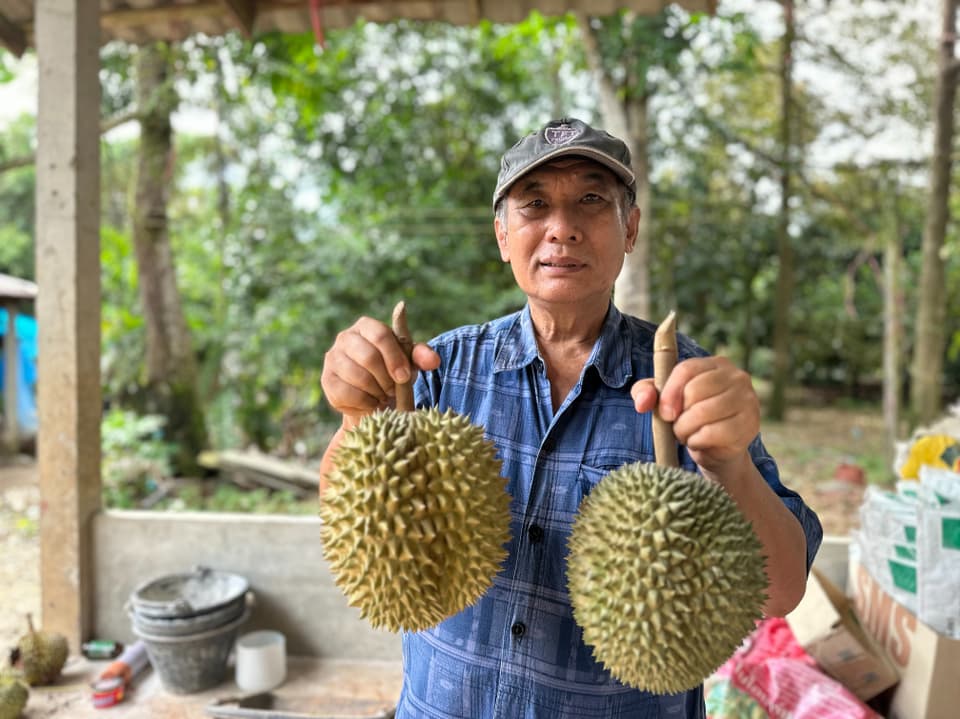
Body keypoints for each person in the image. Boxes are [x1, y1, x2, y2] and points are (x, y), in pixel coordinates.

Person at [319, 117, 823, 718]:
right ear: (503, 236)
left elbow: (782, 589)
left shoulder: (690, 388)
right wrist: (357, 420)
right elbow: (349, 519)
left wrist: (728, 466)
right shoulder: (435, 368)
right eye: (535, 205)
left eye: (591, 200)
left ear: (628, 227)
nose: (562, 228)